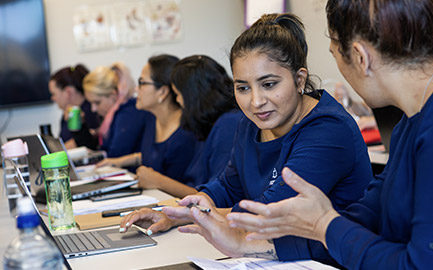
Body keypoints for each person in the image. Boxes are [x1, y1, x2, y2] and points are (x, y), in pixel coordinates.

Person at [224, 2, 433, 269]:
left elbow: (428, 263)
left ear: (360, 57)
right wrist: (250, 244)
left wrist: (323, 224)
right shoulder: (411, 120)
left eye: (335, 53)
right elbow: (366, 215)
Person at [120, 14, 372, 265]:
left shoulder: (328, 129)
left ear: (299, 79)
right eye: (242, 88)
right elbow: (228, 186)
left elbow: (273, 211)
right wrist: (185, 207)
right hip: (274, 256)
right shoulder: (251, 123)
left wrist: (188, 214)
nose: (256, 101)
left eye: (269, 84)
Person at [121, 55, 242, 198]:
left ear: (193, 96)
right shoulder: (210, 125)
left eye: (178, 94)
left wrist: (158, 181)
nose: (178, 100)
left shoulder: (228, 124)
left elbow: (215, 197)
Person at [96, 55, 200, 192]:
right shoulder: (152, 119)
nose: (136, 90)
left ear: (162, 92)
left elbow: (194, 192)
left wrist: (156, 181)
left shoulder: (186, 132)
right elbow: (154, 153)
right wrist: (119, 161)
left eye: (142, 83)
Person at [83, 62, 153, 158]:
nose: (93, 109)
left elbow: (115, 156)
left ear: (113, 95)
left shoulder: (128, 114)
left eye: (97, 102)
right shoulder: (119, 113)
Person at [49, 64, 100, 149]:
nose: (53, 98)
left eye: (54, 94)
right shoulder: (67, 114)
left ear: (68, 92)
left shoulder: (93, 111)